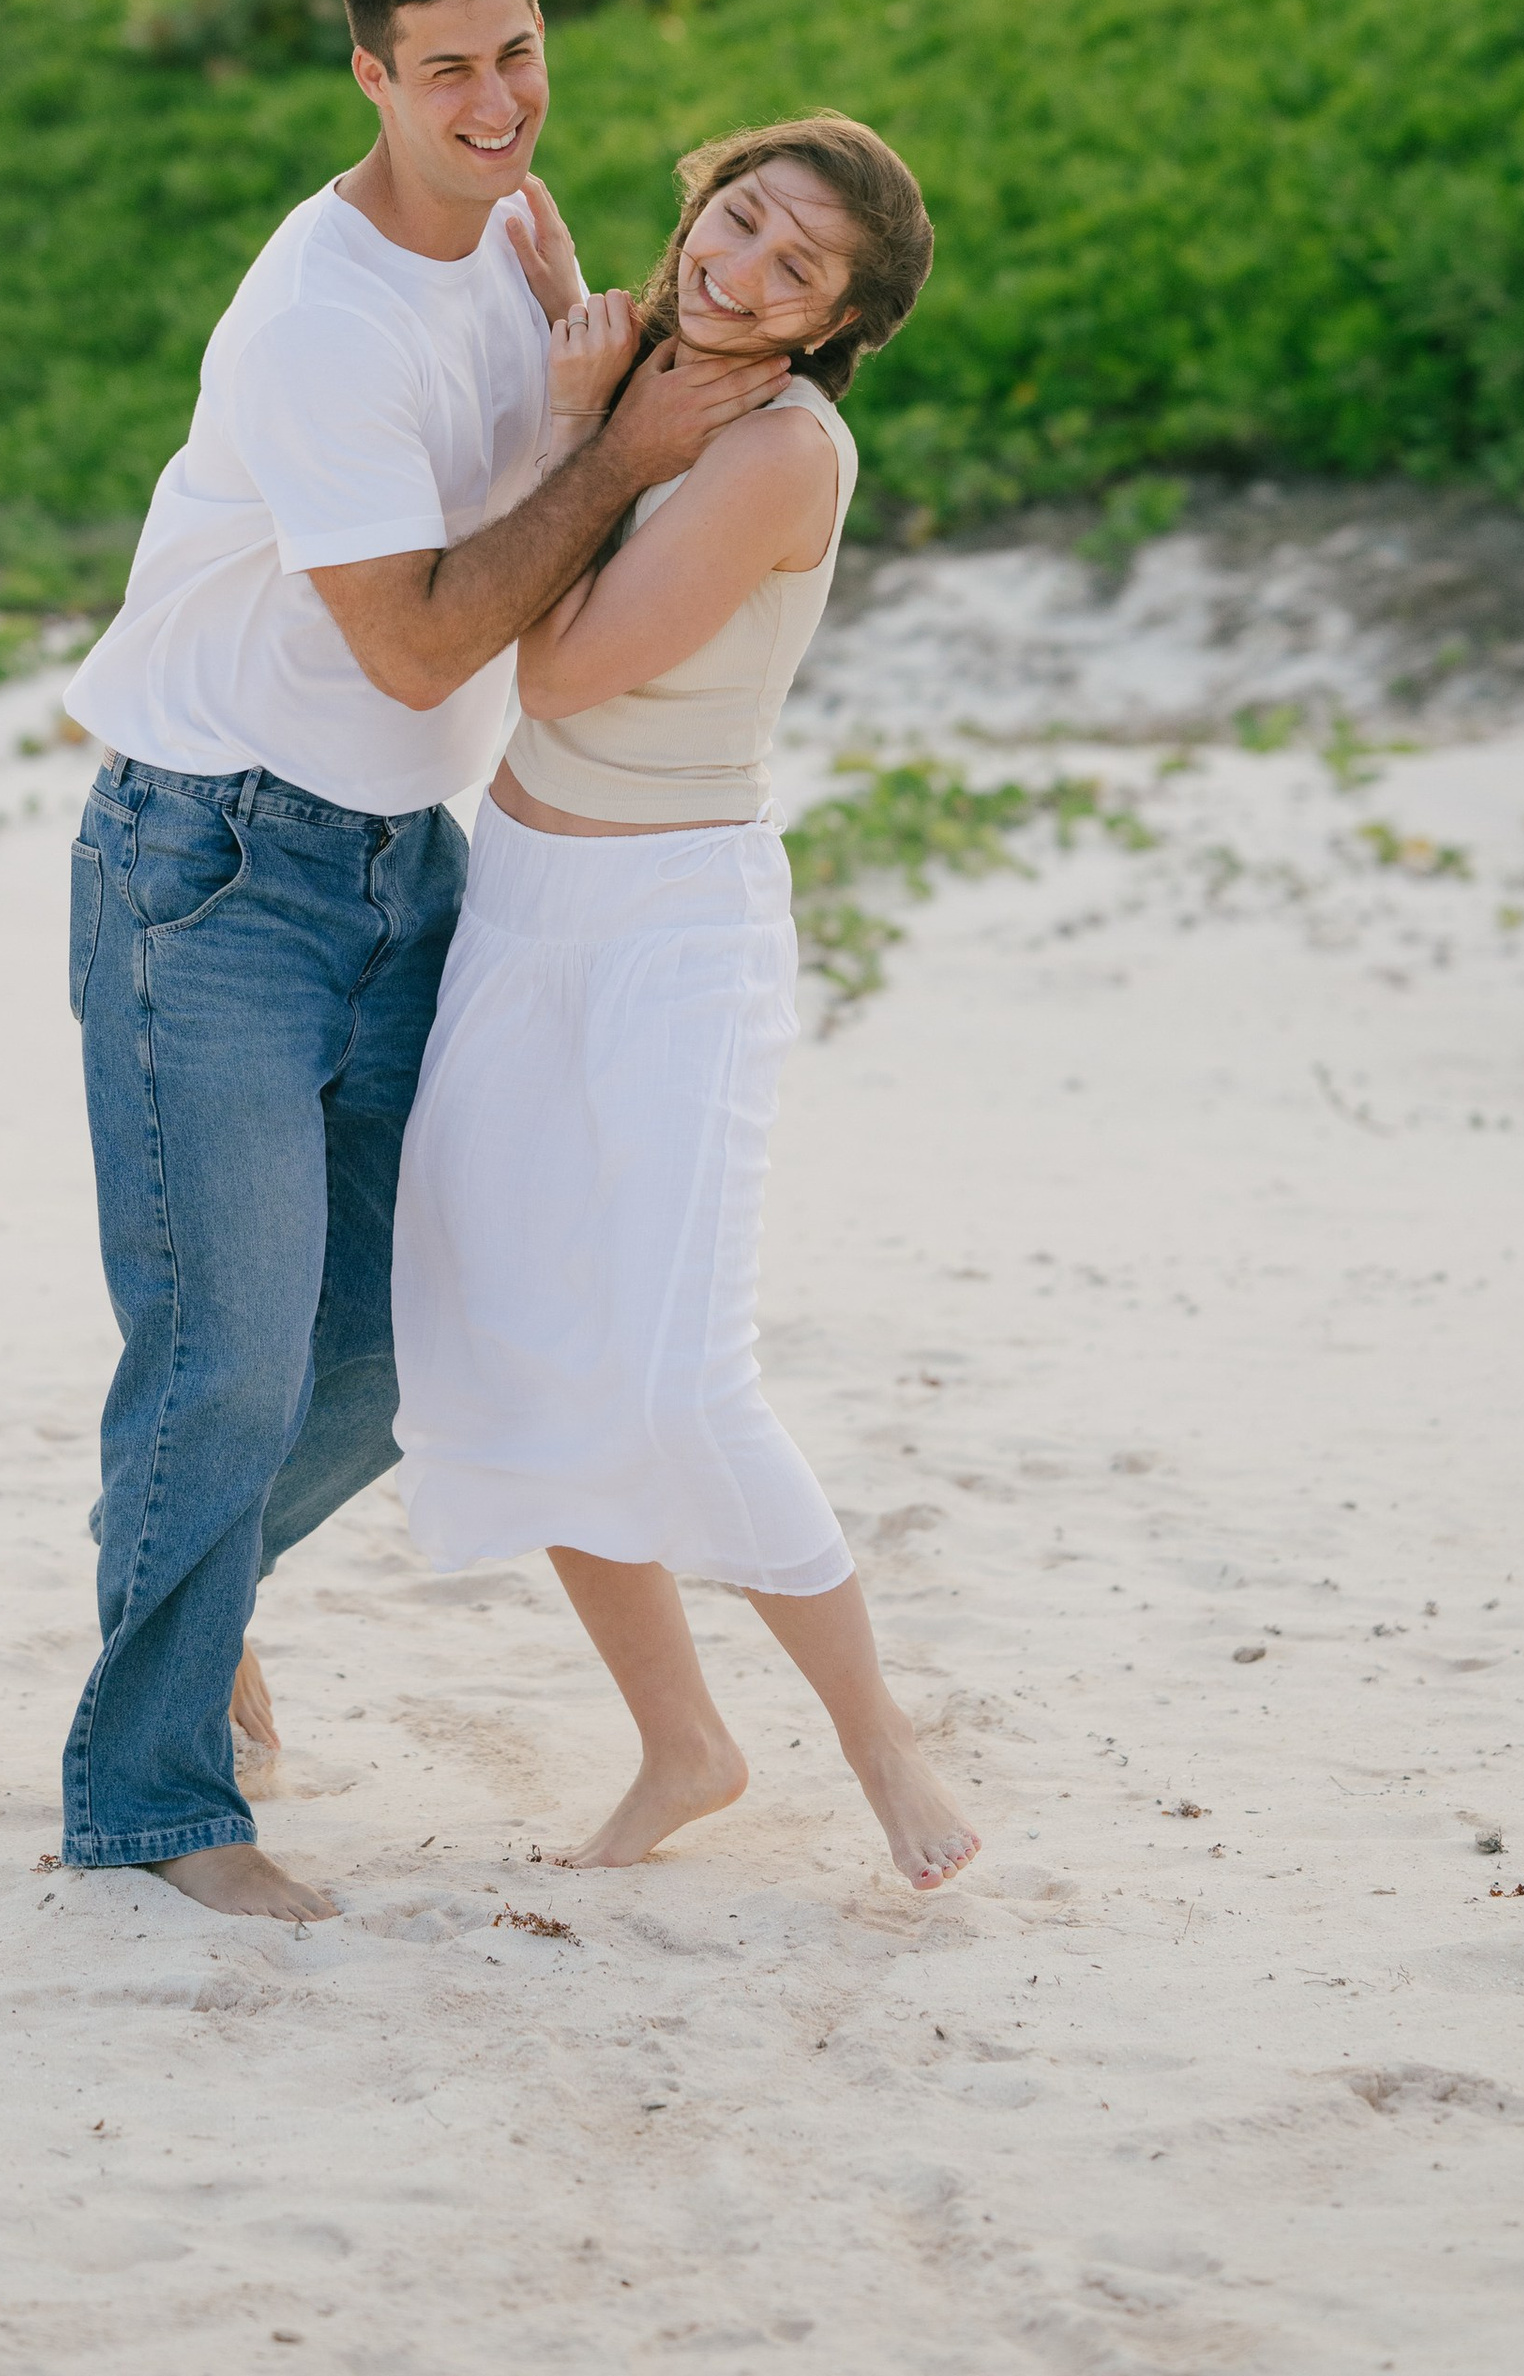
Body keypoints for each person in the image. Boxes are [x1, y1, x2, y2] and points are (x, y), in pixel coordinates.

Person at [58, 0, 790, 1923]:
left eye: (519, 49)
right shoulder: (320, 319)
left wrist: (629, 404)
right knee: (226, 1358)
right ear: (367, 72)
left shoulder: (516, 246)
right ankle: (153, 1802)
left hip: (406, 868)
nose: (495, 97)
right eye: (447, 65)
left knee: (399, 1349)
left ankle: (163, 1574)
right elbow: (413, 641)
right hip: (208, 871)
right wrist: (619, 430)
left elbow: (567, 538)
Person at [391, 114, 984, 1892]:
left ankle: (882, 1744)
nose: (740, 268)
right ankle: (687, 1744)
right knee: (512, 1343)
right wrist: (572, 338)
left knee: (677, 1374)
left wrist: (579, 428)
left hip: (674, 924)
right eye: (736, 221)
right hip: (516, 898)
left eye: (794, 267)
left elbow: (558, 658)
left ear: (828, 324)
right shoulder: (639, 352)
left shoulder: (782, 449)